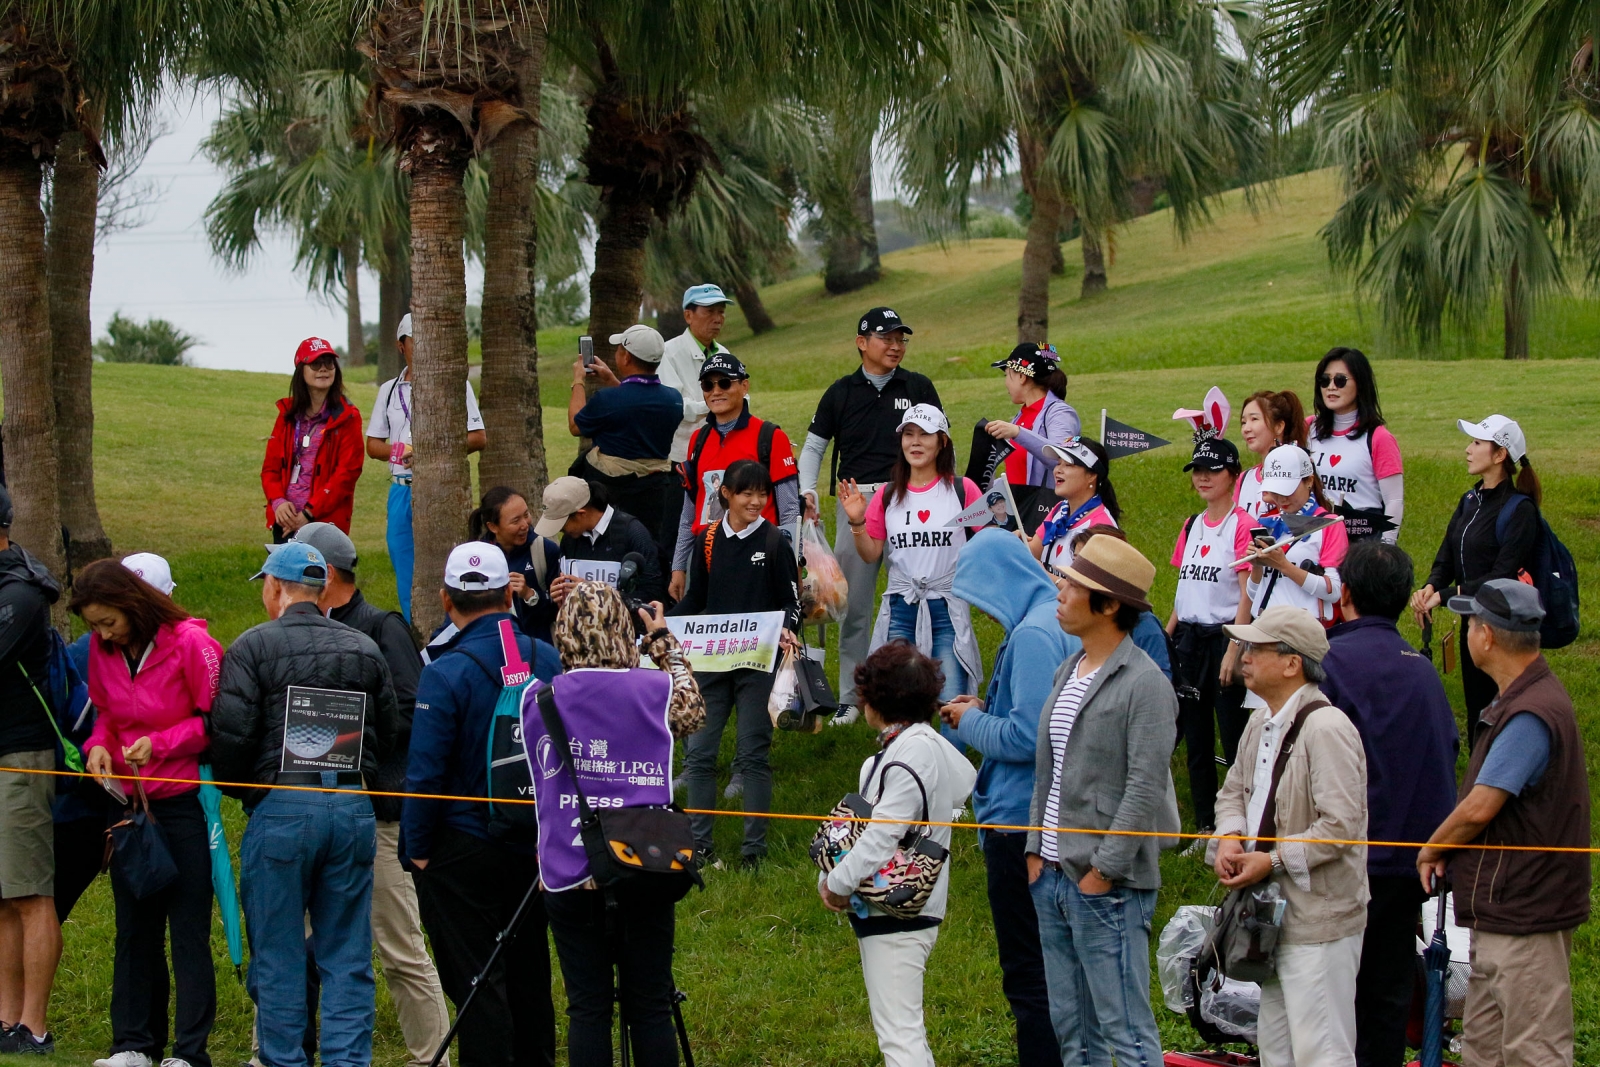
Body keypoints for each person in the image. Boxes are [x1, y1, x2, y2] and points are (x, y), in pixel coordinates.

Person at [209, 542, 399, 1067]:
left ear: (274, 588)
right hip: (351, 804)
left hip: (285, 809)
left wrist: (253, 793)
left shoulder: (251, 647)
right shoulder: (364, 647)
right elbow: (387, 732)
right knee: (347, 954)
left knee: (279, 954)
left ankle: (284, 1061)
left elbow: (229, 742)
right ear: (319, 591)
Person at [290, 522, 452, 1067]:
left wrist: (341, 740)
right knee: (305, 942)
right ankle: (285, 1050)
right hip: (317, 811)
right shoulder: (306, 629)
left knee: (400, 947)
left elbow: (412, 708)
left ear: (326, 573)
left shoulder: (382, 627)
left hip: (380, 814)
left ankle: (430, 1057)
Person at [526, 582, 706, 1067]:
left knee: (587, 1008)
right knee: (650, 1007)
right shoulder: (653, 690)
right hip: (643, 862)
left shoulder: (537, 702)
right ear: (622, 632)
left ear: (562, 632)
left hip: (567, 867)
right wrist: (662, 641)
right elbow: (693, 708)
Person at [1418, 580, 1589, 1067]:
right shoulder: (1522, 698)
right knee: (1484, 1051)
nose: (1468, 631)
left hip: (1527, 917)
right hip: (1506, 913)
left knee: (1533, 1052)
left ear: (1487, 636)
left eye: (1470, 622)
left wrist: (1432, 848)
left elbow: (1480, 806)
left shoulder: (1530, 712)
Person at [403, 543, 560, 1067]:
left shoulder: (444, 672)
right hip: (537, 845)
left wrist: (417, 851)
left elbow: (424, 774)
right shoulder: (549, 657)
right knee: (530, 972)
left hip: (461, 847)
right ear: (508, 595)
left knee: (477, 983)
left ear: (447, 600)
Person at [1024, 536, 1177, 1067]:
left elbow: (1144, 787)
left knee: (1126, 1031)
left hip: (1106, 887)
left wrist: (1104, 871)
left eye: (1073, 585)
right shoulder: (1068, 671)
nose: (1059, 591)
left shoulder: (1146, 684)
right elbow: (1048, 771)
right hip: (1053, 878)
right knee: (1072, 1030)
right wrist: (1034, 853)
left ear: (1110, 605)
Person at [69, 560, 224, 1067]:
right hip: (131, 807)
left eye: (107, 621)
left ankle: (189, 1052)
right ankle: (134, 1043)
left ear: (132, 604)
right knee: (134, 928)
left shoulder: (192, 644)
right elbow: (106, 714)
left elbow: (212, 724)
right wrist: (97, 746)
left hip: (182, 803)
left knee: (187, 928)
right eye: (94, 625)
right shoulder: (101, 649)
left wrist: (156, 743)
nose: (101, 633)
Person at [941, 529, 1078, 1067]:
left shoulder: (1033, 636)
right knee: (1058, 972)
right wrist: (989, 703)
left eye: (981, 596)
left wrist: (970, 719)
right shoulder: (1056, 619)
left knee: (1029, 979)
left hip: (1020, 822)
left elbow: (1027, 738)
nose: (983, 611)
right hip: (1054, 815)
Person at [1211, 605, 1369, 1067]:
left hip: (1318, 922)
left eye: (1255, 647)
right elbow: (1233, 792)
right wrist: (1230, 838)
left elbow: (1341, 826)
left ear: (1291, 662)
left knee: (1322, 1052)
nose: (1242, 655)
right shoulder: (1260, 721)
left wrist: (1271, 860)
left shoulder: (1328, 728)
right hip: (1269, 921)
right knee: (1277, 1050)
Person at [1319, 541, 1458, 1067]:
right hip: (1406, 864)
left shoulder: (1329, 660)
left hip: (1342, 862)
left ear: (1344, 593)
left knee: (1331, 994)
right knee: (1387, 991)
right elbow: (1446, 753)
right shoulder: (1421, 671)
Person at [819, 642, 977, 1067]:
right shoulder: (921, 743)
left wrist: (836, 884)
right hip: (912, 907)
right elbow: (967, 779)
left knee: (899, 1037)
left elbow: (881, 836)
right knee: (902, 1030)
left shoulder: (908, 751)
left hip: (897, 911)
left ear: (877, 699)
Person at [798, 307, 942, 723]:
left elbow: (940, 440)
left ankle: (918, 687)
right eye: (886, 338)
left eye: (901, 339)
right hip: (855, 503)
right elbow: (813, 448)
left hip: (909, 498)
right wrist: (808, 491)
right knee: (854, 605)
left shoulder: (918, 386)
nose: (896, 346)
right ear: (862, 343)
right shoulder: (841, 392)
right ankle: (850, 696)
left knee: (918, 592)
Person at [668, 460, 802, 870]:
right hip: (711, 661)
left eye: (762, 494)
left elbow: (791, 602)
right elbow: (697, 599)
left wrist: (786, 629)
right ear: (725, 493)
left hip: (758, 664)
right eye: (747, 493)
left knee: (753, 754)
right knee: (700, 755)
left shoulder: (776, 540)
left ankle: (753, 851)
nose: (756, 501)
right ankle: (700, 847)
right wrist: (668, 621)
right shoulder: (707, 541)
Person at [1410, 415, 1542, 745]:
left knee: (1500, 711)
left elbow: (1503, 575)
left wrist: (1448, 593)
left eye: (1477, 443)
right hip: (1473, 625)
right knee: (1476, 712)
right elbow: (1447, 558)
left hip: (1504, 631)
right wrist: (1431, 585)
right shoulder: (1470, 500)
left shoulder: (1520, 510)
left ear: (1500, 455)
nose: (1468, 449)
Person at [840, 404, 983, 706]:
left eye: (925, 435)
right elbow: (871, 554)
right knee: (896, 701)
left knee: (951, 701)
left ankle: (947, 754)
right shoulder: (888, 495)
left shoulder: (963, 490)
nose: (915, 442)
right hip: (901, 608)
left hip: (947, 607)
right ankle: (903, 755)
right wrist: (857, 521)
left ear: (942, 441)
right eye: (908, 434)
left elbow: (987, 544)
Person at [367, 313, 488, 620]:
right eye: (413, 342)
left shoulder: (455, 385)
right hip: (401, 490)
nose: (421, 348)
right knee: (406, 571)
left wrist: (430, 453)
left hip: (439, 490)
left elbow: (477, 438)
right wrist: (401, 451)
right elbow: (372, 445)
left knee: (449, 568)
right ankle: (416, 634)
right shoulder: (389, 390)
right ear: (400, 346)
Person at [0, 484, 65, 1056]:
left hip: (19, 755)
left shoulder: (20, 594)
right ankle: (5, 1020)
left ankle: (34, 1025)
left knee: (28, 892)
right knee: (2, 893)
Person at [1166, 434, 1253, 840]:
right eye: (1198, 471)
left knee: (1232, 733)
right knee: (1196, 737)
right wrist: (1167, 637)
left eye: (1213, 470)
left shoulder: (1243, 525)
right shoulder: (1191, 525)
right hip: (1189, 639)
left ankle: (1239, 824)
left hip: (1224, 639)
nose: (1203, 478)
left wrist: (1234, 648)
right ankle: (1204, 824)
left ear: (1233, 475)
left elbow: (1246, 592)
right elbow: (1185, 590)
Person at [667, 352, 800, 602]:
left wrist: (792, 567)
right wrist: (678, 566)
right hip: (706, 558)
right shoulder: (698, 440)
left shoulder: (770, 436)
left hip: (757, 556)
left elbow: (790, 509)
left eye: (725, 383)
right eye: (708, 385)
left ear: (744, 386)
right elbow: (689, 512)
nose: (716, 391)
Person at [567, 324, 684, 564]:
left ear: (626, 357)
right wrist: (613, 380)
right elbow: (637, 405)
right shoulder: (673, 399)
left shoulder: (608, 400)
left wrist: (578, 380)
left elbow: (575, 426)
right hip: (655, 492)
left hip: (614, 492)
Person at [261, 337, 365, 540]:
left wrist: (309, 513)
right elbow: (270, 469)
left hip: (325, 525)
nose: (323, 369)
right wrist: (278, 502)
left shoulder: (348, 417)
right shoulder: (287, 415)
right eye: (316, 363)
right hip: (285, 522)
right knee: (281, 573)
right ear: (301, 370)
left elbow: (347, 473)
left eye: (329, 363)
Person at [978, 343, 1080, 534]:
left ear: (1021, 376)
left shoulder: (1059, 412)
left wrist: (1018, 433)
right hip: (1017, 512)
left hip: (1044, 514)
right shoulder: (1021, 416)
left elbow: (1063, 459)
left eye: (1006, 375)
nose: (1006, 383)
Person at [658, 283, 735, 535]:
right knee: (678, 531)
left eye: (721, 311)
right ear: (688, 315)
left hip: (720, 457)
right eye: (709, 311)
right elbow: (677, 406)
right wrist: (718, 404)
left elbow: (742, 401)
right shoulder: (668, 353)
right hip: (680, 461)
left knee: (717, 529)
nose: (718, 319)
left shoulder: (724, 354)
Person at [1306, 348, 1403, 543]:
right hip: (1316, 537)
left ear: (1360, 383)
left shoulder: (1378, 437)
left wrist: (1386, 547)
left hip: (1362, 540)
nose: (1331, 387)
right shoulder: (1308, 428)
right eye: (1325, 380)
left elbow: (1394, 500)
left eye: (1340, 380)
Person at [1244, 444, 1346, 626]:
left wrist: (1284, 566)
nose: (1282, 499)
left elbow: (1334, 591)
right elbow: (1253, 594)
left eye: (1288, 490)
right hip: (1264, 625)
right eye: (1275, 491)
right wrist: (1257, 566)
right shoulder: (1267, 523)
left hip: (1303, 629)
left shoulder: (1330, 524)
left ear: (1309, 481)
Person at [535, 477, 666, 606]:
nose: (561, 531)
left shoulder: (633, 533)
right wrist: (558, 595)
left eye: (562, 526)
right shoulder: (569, 541)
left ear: (581, 514)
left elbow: (652, 593)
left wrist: (595, 593)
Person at [469, 487, 561, 644]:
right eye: (515, 521)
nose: (525, 525)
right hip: (493, 650)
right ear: (493, 527)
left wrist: (530, 595)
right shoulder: (476, 558)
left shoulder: (545, 551)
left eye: (526, 515)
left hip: (537, 651)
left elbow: (559, 610)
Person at [1025, 437, 1120, 572]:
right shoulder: (1060, 509)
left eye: (1068, 465)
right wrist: (1014, 542)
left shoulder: (1101, 526)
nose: (1057, 470)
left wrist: (1044, 575)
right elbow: (1033, 552)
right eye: (1058, 463)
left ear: (1092, 475)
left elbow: (1087, 590)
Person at [1235, 390, 1309, 518]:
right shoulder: (1244, 479)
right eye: (1243, 422)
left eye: (1254, 419)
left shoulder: (1300, 472)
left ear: (1278, 426)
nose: (1246, 429)